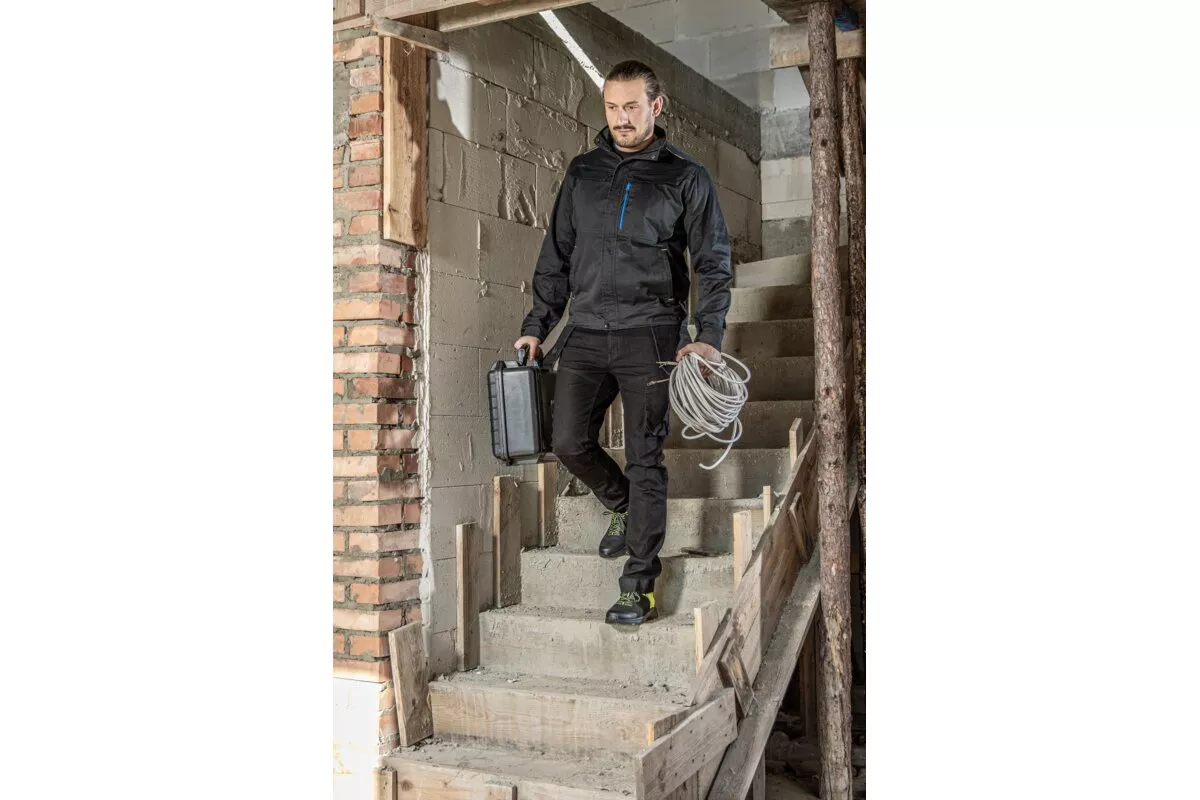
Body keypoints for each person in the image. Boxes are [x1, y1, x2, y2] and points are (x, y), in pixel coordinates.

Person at [513, 59, 733, 625]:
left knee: (645, 458)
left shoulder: (685, 177)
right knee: (566, 440)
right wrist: (537, 325)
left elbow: (712, 262)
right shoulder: (583, 171)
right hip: (586, 330)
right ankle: (620, 504)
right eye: (612, 107)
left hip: (651, 334)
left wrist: (707, 335)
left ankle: (639, 584)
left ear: (656, 106)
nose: (621, 118)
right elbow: (556, 255)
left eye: (631, 107)